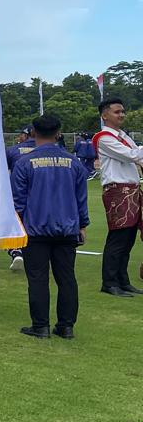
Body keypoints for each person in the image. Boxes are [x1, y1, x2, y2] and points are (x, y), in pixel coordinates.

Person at [11, 114, 89, 339]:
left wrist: (18, 226)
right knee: (67, 278)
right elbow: (81, 198)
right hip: (67, 228)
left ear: (33, 132)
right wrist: (82, 225)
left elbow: (18, 201)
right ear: (59, 133)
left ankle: (40, 326)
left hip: (35, 229)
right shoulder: (73, 162)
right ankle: (66, 326)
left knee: (37, 279)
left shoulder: (24, 162)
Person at [93, 98, 143, 297]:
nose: (121, 115)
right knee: (118, 237)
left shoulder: (123, 136)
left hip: (131, 189)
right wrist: (138, 152)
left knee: (128, 238)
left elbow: (135, 155)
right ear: (104, 115)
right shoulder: (104, 137)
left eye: (122, 111)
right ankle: (110, 282)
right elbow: (132, 155)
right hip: (117, 190)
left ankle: (123, 280)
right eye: (117, 112)